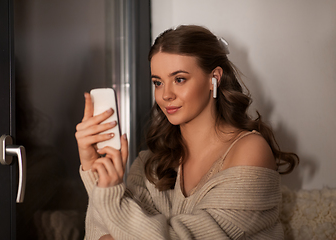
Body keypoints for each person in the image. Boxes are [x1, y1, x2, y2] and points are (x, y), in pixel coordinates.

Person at [75, 25, 299, 240]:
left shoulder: (250, 150)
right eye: (158, 82)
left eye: (179, 79)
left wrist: (111, 196)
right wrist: (92, 166)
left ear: (215, 78)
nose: (166, 95)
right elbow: (98, 236)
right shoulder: (151, 163)